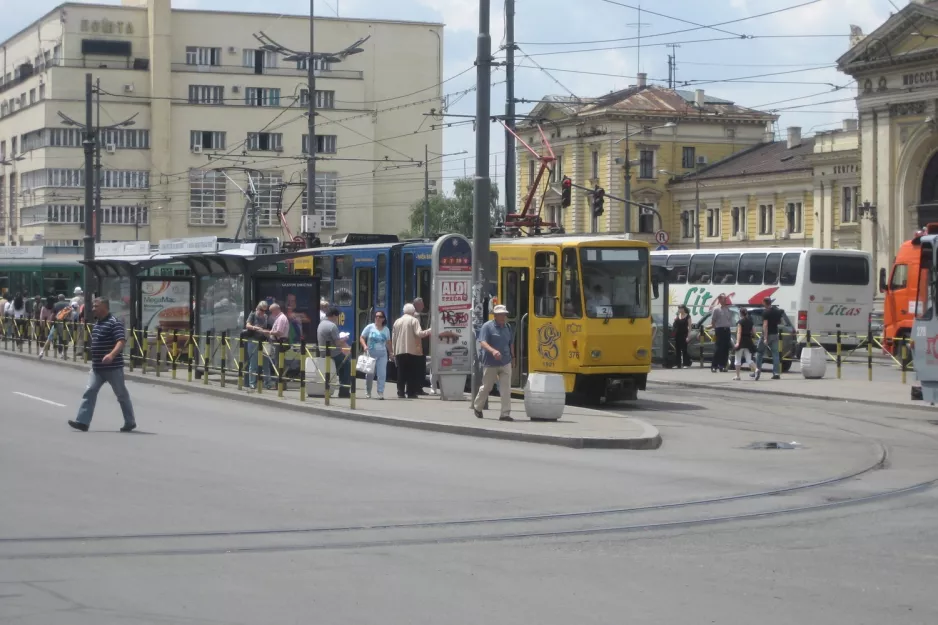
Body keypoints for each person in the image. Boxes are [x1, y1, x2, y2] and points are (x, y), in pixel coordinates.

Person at [68, 297, 136, 432]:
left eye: (96, 306)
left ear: (104, 307)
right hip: (97, 368)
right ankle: (82, 422)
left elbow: (121, 342)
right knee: (90, 391)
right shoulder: (98, 323)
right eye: (93, 306)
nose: (93, 308)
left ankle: (130, 421)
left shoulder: (114, 323)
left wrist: (111, 355)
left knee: (121, 394)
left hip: (113, 367)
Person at [472, 304, 514, 421]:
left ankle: (505, 414)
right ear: (495, 316)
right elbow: (483, 342)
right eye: (500, 314)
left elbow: (510, 343)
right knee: (487, 387)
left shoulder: (508, 327)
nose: (503, 317)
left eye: (504, 314)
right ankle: (477, 407)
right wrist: (493, 351)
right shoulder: (487, 326)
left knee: (506, 389)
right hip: (490, 362)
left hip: (505, 361)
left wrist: (513, 357)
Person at [391, 303, 430, 399]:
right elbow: (419, 333)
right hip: (412, 351)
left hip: (399, 350)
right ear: (413, 312)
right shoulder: (414, 320)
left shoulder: (397, 321)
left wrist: (393, 351)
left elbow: (394, 337)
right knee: (411, 373)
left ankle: (400, 392)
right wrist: (429, 331)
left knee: (401, 372)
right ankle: (410, 392)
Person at [317, 306, 351, 398]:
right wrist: (344, 339)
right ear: (333, 316)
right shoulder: (332, 326)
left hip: (323, 352)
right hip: (333, 353)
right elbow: (337, 343)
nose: (337, 319)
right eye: (337, 317)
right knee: (347, 365)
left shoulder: (321, 324)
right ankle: (344, 391)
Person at [359, 311, 391, 400]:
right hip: (371, 354)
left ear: (383, 319)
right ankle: (368, 392)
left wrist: (391, 353)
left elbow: (388, 342)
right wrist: (365, 346)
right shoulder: (370, 327)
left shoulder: (386, 329)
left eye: (380, 317)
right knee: (370, 374)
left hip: (382, 354)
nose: (377, 318)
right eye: (376, 316)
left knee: (382, 374)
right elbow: (362, 337)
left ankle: (380, 392)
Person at [243, 301, 271, 390]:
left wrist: (266, 331)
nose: (262, 312)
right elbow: (247, 325)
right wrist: (256, 328)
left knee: (266, 363)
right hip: (253, 340)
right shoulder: (253, 315)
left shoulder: (266, 317)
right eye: (261, 310)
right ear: (257, 308)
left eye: (264, 310)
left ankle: (267, 383)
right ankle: (252, 383)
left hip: (264, 341)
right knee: (253, 362)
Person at [753, 297, 782, 380]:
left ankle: (757, 370)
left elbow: (765, 325)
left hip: (767, 335)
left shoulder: (766, 312)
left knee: (759, 352)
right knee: (775, 354)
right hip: (775, 334)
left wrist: (765, 338)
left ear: (765, 302)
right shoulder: (776, 311)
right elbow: (779, 321)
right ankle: (776, 373)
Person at [412, 297, 437, 395]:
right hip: (418, 346)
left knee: (420, 367)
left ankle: (418, 388)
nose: (423, 306)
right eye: (421, 304)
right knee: (418, 367)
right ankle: (417, 388)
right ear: (417, 305)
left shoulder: (418, 315)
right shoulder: (415, 316)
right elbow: (419, 333)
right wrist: (429, 331)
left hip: (421, 346)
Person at [709, 294, 733, 373]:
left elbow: (729, 320)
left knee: (726, 348)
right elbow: (713, 321)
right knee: (718, 348)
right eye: (724, 299)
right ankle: (714, 366)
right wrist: (713, 328)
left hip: (727, 330)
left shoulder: (728, 309)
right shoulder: (716, 309)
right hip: (719, 330)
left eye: (726, 299)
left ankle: (722, 366)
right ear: (719, 300)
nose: (725, 300)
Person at [733, 307, 757, 381]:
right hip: (748, 342)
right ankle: (756, 369)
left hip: (741, 342)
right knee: (749, 359)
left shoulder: (740, 322)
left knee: (737, 359)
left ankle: (738, 376)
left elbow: (739, 332)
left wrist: (737, 342)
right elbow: (754, 333)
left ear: (740, 313)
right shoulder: (750, 322)